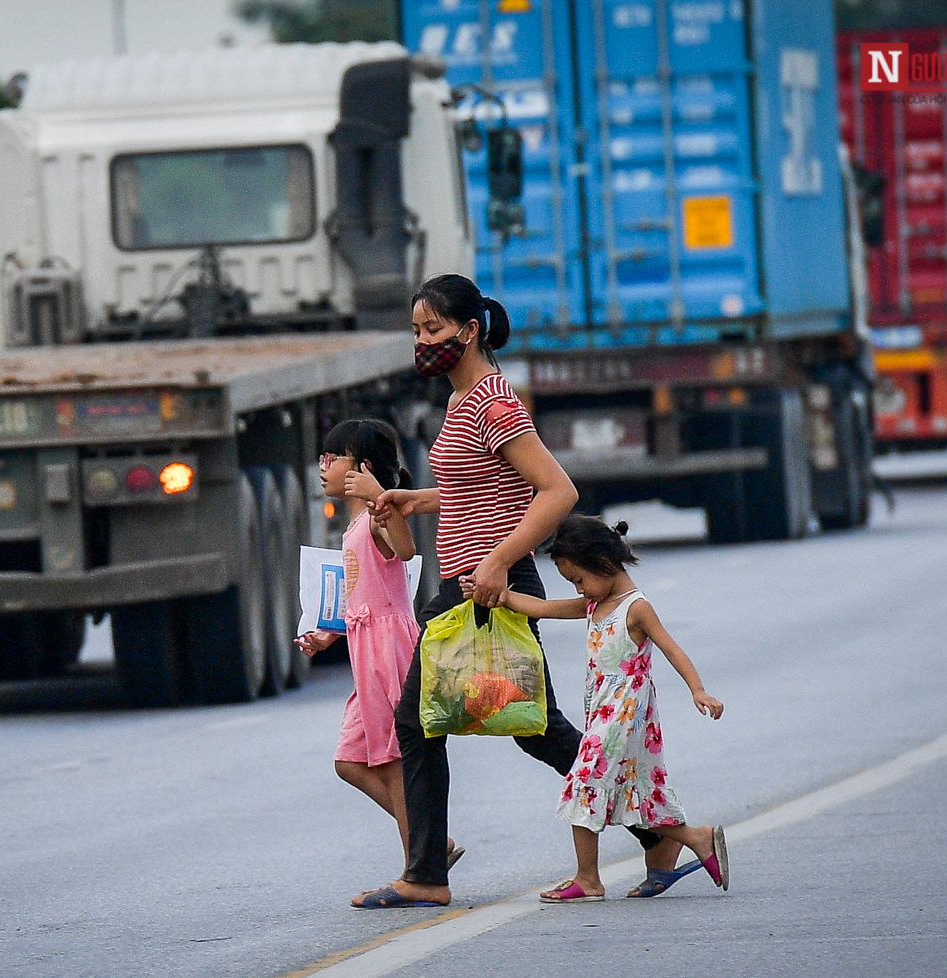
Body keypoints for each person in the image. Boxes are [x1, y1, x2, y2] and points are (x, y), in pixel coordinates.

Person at [352, 273, 681, 910]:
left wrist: (500, 562)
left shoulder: (494, 403)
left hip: (486, 584)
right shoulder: (461, 401)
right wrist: (416, 500)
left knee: (420, 725)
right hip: (473, 581)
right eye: (417, 331)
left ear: (469, 330)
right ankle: (663, 833)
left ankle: (425, 874)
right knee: (534, 731)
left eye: (434, 329)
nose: (423, 342)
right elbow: (478, 487)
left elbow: (558, 490)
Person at [465, 514, 728, 902]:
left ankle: (588, 879)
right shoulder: (594, 603)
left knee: (583, 784)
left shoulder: (635, 607)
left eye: (579, 579)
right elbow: (542, 608)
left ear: (604, 563)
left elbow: (671, 648)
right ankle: (695, 837)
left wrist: (699, 690)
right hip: (605, 711)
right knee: (635, 791)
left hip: (625, 713)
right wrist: (496, 595)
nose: (579, 589)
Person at [296, 420, 464, 874]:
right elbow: (360, 595)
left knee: (392, 761)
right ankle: (432, 841)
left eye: (332, 459)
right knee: (350, 761)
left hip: (388, 649)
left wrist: (379, 500)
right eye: (322, 460)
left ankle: (421, 864)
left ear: (363, 468)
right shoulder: (353, 526)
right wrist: (328, 634)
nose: (323, 468)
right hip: (363, 645)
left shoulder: (376, 518)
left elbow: (406, 551)